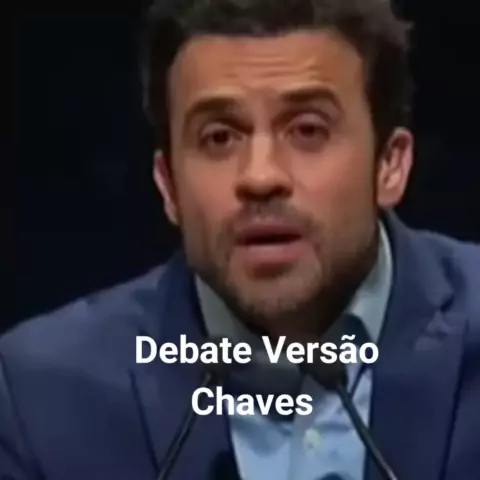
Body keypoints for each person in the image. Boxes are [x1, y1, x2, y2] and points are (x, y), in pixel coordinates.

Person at [2, 0, 480, 479]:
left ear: (390, 165)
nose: (260, 176)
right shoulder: (39, 397)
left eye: (307, 130)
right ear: (168, 186)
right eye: (219, 138)